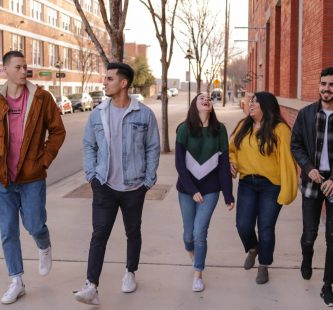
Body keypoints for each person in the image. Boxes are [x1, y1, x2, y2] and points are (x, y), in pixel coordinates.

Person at [74, 62, 160, 305]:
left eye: (109, 79)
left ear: (123, 83)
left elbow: (153, 147)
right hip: (104, 186)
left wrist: (148, 180)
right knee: (99, 234)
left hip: (134, 187)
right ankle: (91, 286)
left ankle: (130, 272)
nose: (105, 82)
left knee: (132, 232)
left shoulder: (144, 114)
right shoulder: (97, 113)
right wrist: (91, 175)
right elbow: (89, 144)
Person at [0, 51, 66, 304]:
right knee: (7, 231)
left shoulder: (40, 98)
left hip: (32, 177)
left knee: (35, 225)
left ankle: (44, 245)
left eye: (25, 67)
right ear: (5, 70)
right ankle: (16, 280)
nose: (23, 71)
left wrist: (44, 160)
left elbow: (58, 131)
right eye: (18, 67)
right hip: (4, 179)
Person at [291, 67, 333, 307]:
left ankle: (327, 286)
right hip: (312, 181)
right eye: (323, 84)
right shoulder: (305, 114)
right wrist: (308, 168)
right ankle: (307, 257)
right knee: (309, 234)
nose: (326, 88)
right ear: (319, 85)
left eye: (332, 85)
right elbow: (295, 145)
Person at [229, 91, 297, 285]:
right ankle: (252, 248)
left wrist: (287, 190)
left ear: (266, 107)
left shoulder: (280, 129)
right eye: (251, 101)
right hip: (247, 183)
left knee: (266, 227)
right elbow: (232, 150)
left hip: (271, 186)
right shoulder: (243, 126)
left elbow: (287, 162)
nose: (251, 104)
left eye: (256, 102)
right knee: (243, 225)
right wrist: (231, 162)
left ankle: (264, 265)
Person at [175, 93, 235, 292]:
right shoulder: (184, 129)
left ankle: (198, 273)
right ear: (195, 105)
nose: (206, 99)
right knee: (188, 236)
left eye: (209, 98)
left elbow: (224, 164)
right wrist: (192, 191)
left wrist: (228, 195)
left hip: (210, 190)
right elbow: (180, 165)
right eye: (201, 97)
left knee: (200, 232)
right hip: (186, 190)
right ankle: (193, 254)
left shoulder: (220, 130)